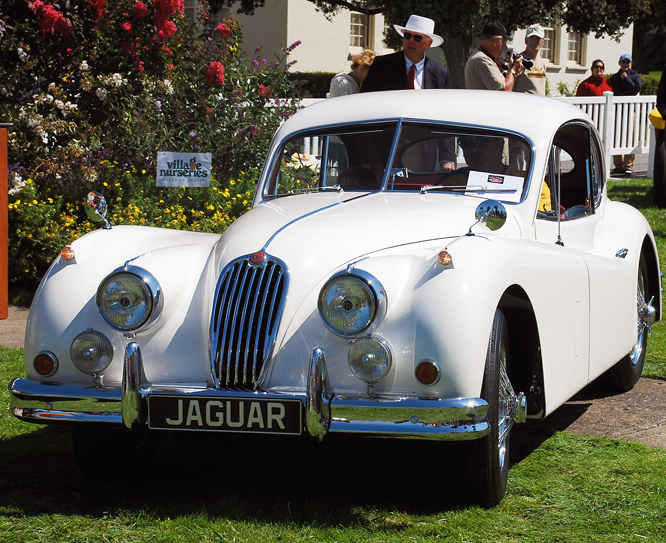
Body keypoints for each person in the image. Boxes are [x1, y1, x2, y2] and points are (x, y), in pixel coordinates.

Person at [361, 14, 456, 170]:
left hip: (423, 150)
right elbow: (364, 106)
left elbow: (446, 117)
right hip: (386, 147)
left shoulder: (440, 73)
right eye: (407, 36)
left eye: (417, 38)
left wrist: (447, 158)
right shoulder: (382, 66)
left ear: (429, 43)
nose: (411, 41)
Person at [464, 21, 524, 91]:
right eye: (504, 41)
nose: (504, 45)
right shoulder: (483, 60)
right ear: (496, 41)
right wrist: (513, 71)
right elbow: (504, 91)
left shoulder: (478, 56)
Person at [609, 54, 642, 175]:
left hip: (630, 111)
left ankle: (628, 166)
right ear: (619, 63)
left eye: (628, 62)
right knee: (616, 137)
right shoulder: (614, 78)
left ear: (631, 64)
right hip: (618, 111)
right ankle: (618, 166)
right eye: (623, 62)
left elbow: (635, 90)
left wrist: (626, 79)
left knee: (630, 137)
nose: (625, 64)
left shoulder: (635, 76)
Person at [513, 24, 547, 95]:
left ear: (542, 42)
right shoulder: (518, 60)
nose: (534, 41)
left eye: (537, 38)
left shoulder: (542, 63)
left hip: (540, 104)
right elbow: (511, 87)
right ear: (526, 40)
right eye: (531, 38)